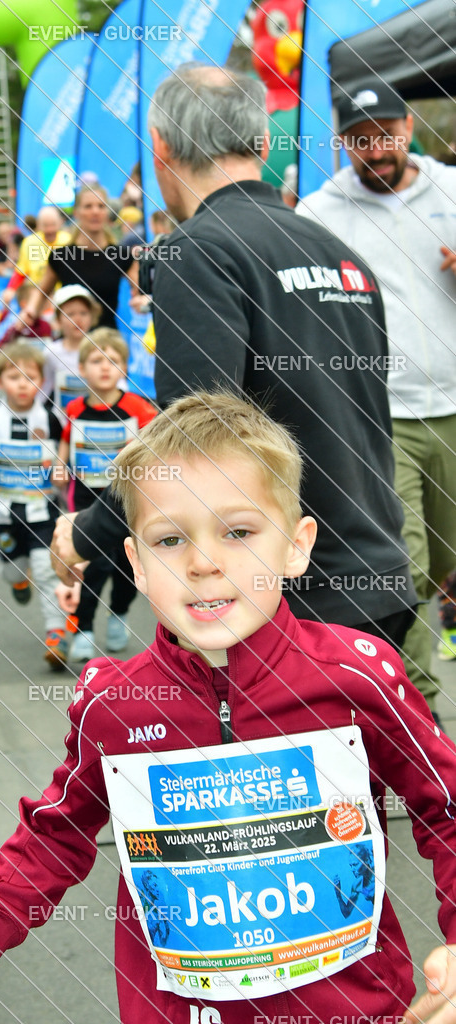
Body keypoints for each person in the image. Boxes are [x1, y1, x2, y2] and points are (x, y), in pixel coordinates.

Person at [0, 391, 456, 1024]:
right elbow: (58, 830)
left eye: (238, 531)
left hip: (355, 1008)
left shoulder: (355, 674)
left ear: (296, 545)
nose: (203, 564)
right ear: (137, 566)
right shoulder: (112, 701)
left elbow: (445, 806)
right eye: (170, 540)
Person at [51, 65, 417, 649]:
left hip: (283, 596)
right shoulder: (341, 254)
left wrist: (86, 534)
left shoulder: (198, 253)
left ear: (162, 148)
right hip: (378, 573)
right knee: (391, 740)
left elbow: (192, 443)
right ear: (263, 143)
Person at [296, 77, 456, 717]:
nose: (375, 149)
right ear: (341, 144)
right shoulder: (317, 213)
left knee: (444, 562)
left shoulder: (451, 189)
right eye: (359, 140)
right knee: (409, 572)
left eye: (385, 134)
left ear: (409, 129)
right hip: (380, 419)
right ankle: (425, 727)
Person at [0, 342, 68, 668]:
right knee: (12, 571)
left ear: (42, 381)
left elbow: (67, 459)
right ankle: (18, 581)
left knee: (45, 569)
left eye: (30, 376)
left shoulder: (52, 419)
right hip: (5, 511)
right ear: (0, 380)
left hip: (43, 510)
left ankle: (56, 635)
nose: (23, 383)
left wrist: (61, 470)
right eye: (14, 376)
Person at [56, 329, 156, 661]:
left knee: (128, 568)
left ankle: (119, 614)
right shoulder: (74, 409)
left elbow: (156, 445)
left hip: (126, 503)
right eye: (97, 360)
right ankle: (83, 628)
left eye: (113, 360)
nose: (105, 367)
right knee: (91, 565)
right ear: (82, 368)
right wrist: (58, 464)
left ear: (125, 369)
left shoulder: (138, 408)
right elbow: (66, 443)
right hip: (85, 498)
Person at [21, 185, 139, 330]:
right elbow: (41, 292)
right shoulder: (61, 256)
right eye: (88, 206)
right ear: (76, 212)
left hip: (107, 341)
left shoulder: (121, 255)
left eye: (101, 206)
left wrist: (141, 300)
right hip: (71, 341)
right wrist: (30, 311)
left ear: (107, 212)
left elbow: (141, 291)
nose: (95, 211)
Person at [42, 284, 102, 417]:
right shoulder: (51, 352)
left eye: (83, 313)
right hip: (62, 422)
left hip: (94, 421)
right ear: (58, 319)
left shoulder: (102, 349)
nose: (78, 319)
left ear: (92, 316)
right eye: (70, 314)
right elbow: (42, 390)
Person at [1, 206, 72, 307]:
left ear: (60, 223)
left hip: (63, 297)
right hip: (37, 296)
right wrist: (11, 289)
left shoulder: (69, 241)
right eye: (46, 225)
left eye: (53, 225)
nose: (50, 229)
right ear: (39, 225)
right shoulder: (29, 243)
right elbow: (21, 271)